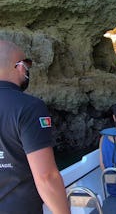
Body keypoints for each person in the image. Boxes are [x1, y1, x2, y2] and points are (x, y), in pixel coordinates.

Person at [0, 40, 70, 214]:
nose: (27, 70)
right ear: (19, 66)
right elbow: (46, 177)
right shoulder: (30, 107)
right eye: (27, 64)